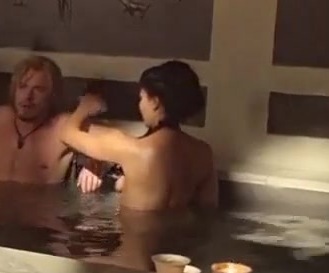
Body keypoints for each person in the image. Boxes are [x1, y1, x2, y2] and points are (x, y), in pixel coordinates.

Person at [59, 60, 217, 212]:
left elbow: (66, 133)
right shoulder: (203, 154)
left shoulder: (131, 149)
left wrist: (85, 106)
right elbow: (208, 210)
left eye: (142, 98)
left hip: (133, 230)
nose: (140, 105)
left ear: (155, 102)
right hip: (178, 230)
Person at [0, 55, 104, 189]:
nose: (28, 96)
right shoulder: (3, 117)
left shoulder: (62, 127)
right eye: (22, 87)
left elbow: (102, 142)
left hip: (39, 209)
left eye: (38, 89)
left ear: (52, 95)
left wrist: (94, 164)